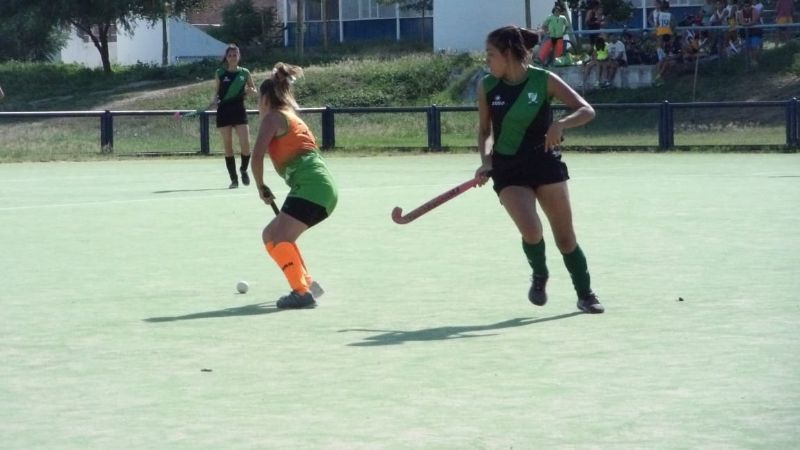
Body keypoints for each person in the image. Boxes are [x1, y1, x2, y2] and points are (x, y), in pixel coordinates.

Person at [475, 25, 605, 314]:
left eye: (491, 54)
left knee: (565, 237)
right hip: (508, 168)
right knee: (532, 231)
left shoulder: (543, 80)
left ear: (508, 54)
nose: (487, 61)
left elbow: (586, 109)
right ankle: (540, 274)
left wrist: (560, 124)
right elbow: (485, 131)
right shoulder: (487, 86)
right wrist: (486, 161)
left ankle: (586, 294)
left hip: (544, 163)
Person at [251, 63, 338, 309]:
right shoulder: (291, 118)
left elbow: (255, 157)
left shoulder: (273, 118)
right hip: (320, 188)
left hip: (312, 188)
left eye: (259, 100)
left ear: (266, 99)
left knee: (280, 239)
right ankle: (306, 283)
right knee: (271, 235)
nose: (258, 105)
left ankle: (301, 292)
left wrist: (260, 187)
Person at [213, 44, 258, 189]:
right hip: (224, 111)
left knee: (246, 143)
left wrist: (251, 90)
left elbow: (253, 89)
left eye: (235, 55)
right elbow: (217, 92)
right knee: (228, 145)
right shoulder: (220, 72)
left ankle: (244, 169)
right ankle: (234, 179)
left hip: (239, 110)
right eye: (230, 55)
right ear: (226, 57)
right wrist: (214, 100)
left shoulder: (244, 73)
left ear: (239, 57)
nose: (232, 58)